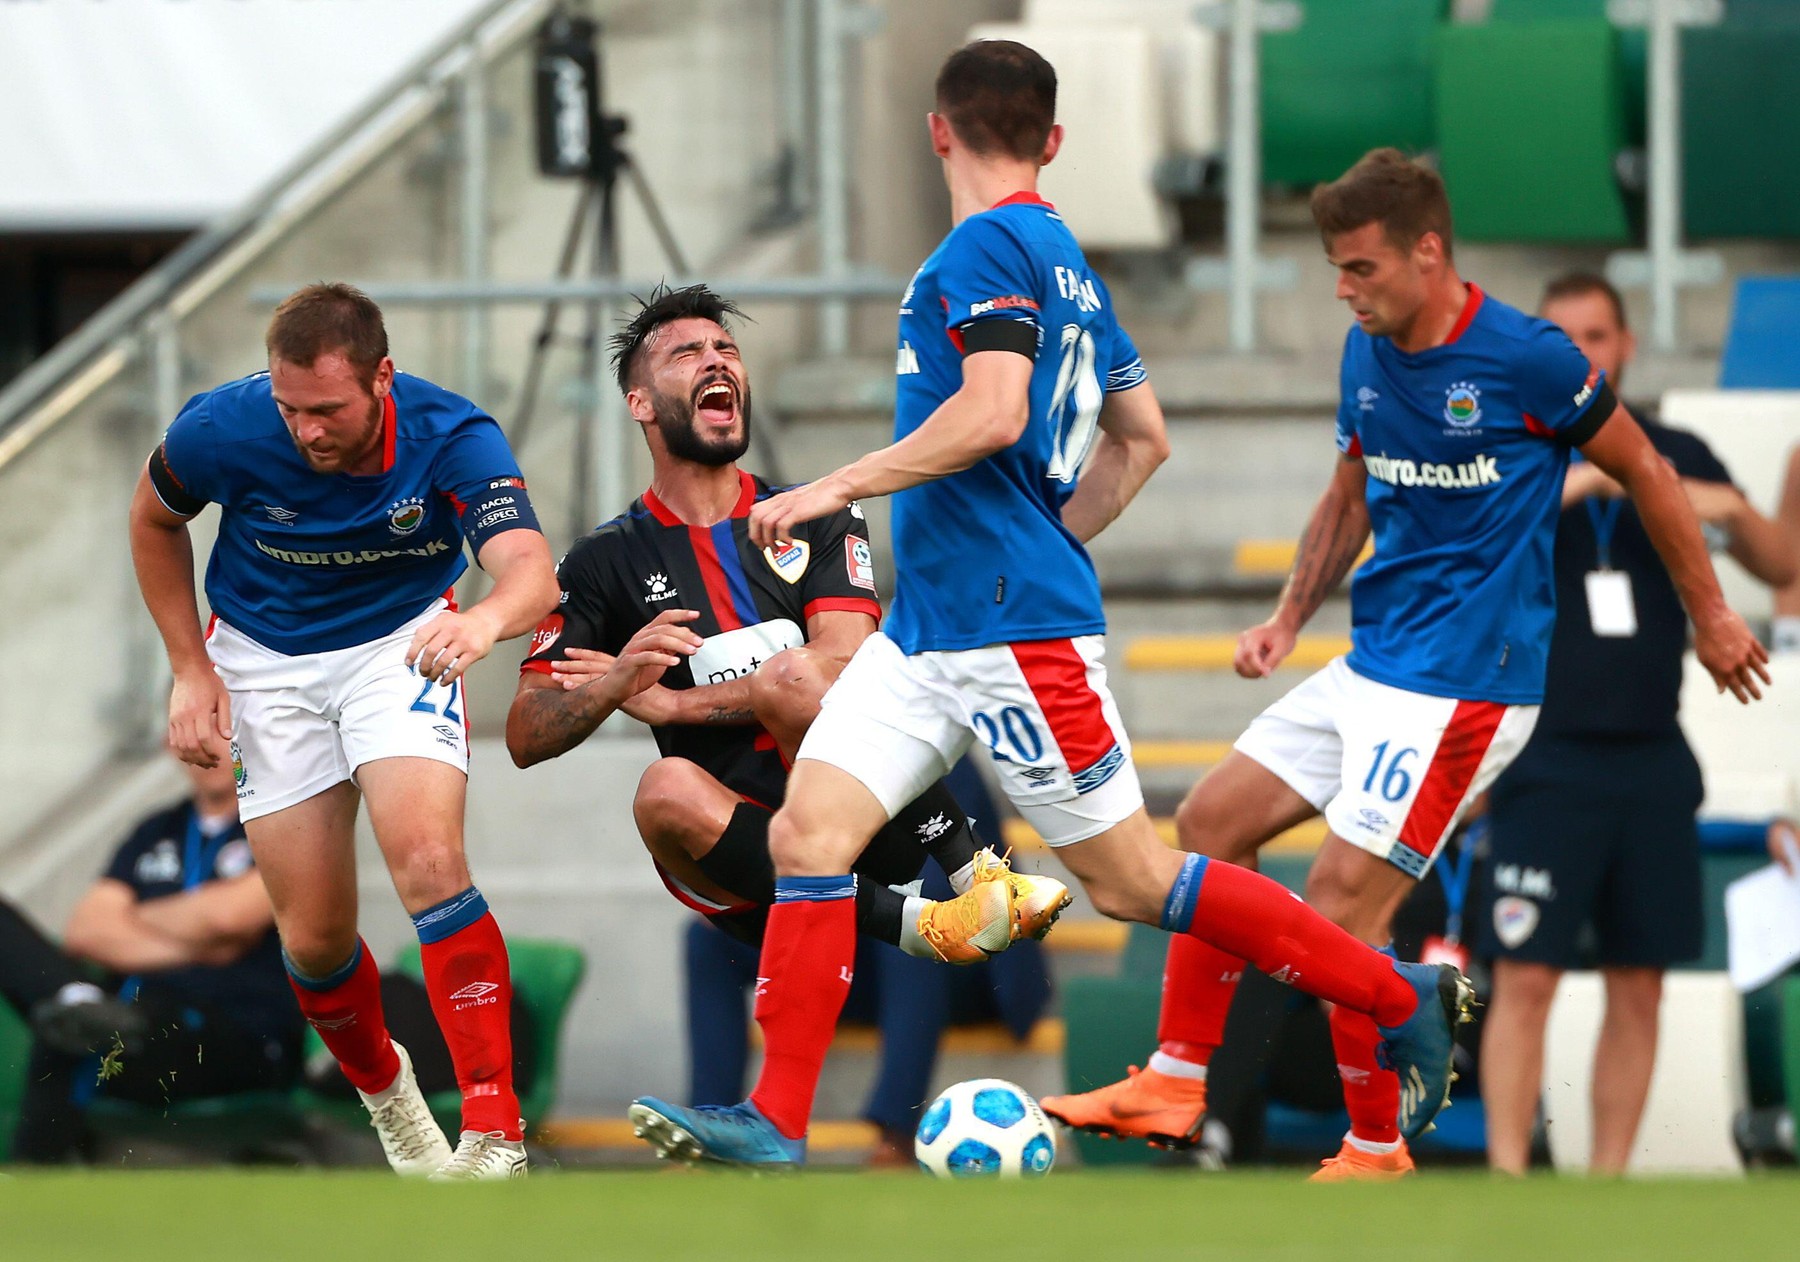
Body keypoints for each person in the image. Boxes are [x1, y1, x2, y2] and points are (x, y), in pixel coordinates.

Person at [626, 43, 1474, 1171]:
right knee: (808, 831)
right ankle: (777, 1117)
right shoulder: (1072, 263)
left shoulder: (983, 247)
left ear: (939, 132)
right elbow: (1146, 438)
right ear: (1053, 141)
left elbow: (990, 410)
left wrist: (836, 485)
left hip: (1009, 631)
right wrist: (1049, 531)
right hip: (928, 627)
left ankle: (1392, 990)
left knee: (1130, 879)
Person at [1041, 149, 1769, 1181]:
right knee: (1208, 821)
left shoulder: (1530, 360)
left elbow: (1645, 466)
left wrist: (1710, 612)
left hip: (1472, 686)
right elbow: (1347, 494)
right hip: (1375, 663)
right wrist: (1288, 618)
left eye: (1359, 268)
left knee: (1345, 899)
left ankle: (1376, 1140)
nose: (1344, 289)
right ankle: (1173, 1074)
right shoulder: (1365, 351)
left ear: (1428, 253)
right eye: (1336, 269)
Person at [126, 283, 560, 1180]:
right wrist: (189, 667)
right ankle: (391, 1104)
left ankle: (493, 1132)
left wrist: (479, 624)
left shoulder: (454, 435)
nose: (306, 432)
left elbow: (532, 572)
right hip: (261, 658)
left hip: (401, 644)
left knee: (431, 863)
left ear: (383, 379)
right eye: (291, 410)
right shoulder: (220, 428)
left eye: (327, 411)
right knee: (315, 942)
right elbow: (153, 519)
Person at [504, 282, 1069, 961]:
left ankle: (974, 874)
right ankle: (924, 927)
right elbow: (524, 735)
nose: (717, 362)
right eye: (688, 353)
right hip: (732, 857)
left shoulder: (811, 512)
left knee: (797, 678)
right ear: (641, 403)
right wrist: (614, 683)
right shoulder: (601, 562)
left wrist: (674, 706)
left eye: (727, 349)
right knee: (663, 788)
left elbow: (846, 661)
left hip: (858, 816)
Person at [1478, 272, 1798, 1177]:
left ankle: (1609, 1181)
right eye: (1565, 337)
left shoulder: (1679, 449)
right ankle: (1508, 1172)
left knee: (1640, 979)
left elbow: (1781, 563)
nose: (1584, 352)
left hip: (1655, 757)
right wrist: (1588, 483)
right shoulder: (1515, 451)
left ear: (1625, 348)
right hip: (1545, 759)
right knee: (1527, 975)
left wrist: (1726, 505)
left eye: (1600, 336)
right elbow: (1481, 555)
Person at [1, 750, 301, 1163]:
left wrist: (129, 921)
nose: (209, 743)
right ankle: (76, 997)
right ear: (174, 736)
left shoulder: (282, 821)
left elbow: (232, 918)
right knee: (76, 1019)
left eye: (223, 725)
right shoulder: (157, 828)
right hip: (130, 1020)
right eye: (194, 722)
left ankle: (30, 1182)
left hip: (232, 1034)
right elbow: (85, 929)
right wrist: (202, 940)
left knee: (81, 1031)